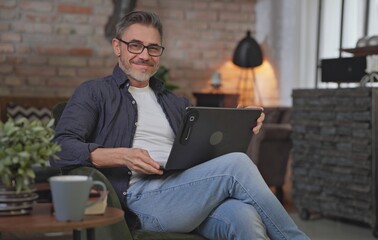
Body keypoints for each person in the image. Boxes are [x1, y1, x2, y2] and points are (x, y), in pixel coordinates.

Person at [51, 10, 310, 240]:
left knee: (245, 217)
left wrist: (241, 123)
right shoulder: (94, 92)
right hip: (142, 200)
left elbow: (207, 150)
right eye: (135, 46)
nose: (145, 55)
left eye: (153, 48)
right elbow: (60, 148)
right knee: (237, 164)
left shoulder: (175, 102)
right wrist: (121, 155)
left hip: (187, 191)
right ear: (117, 47)